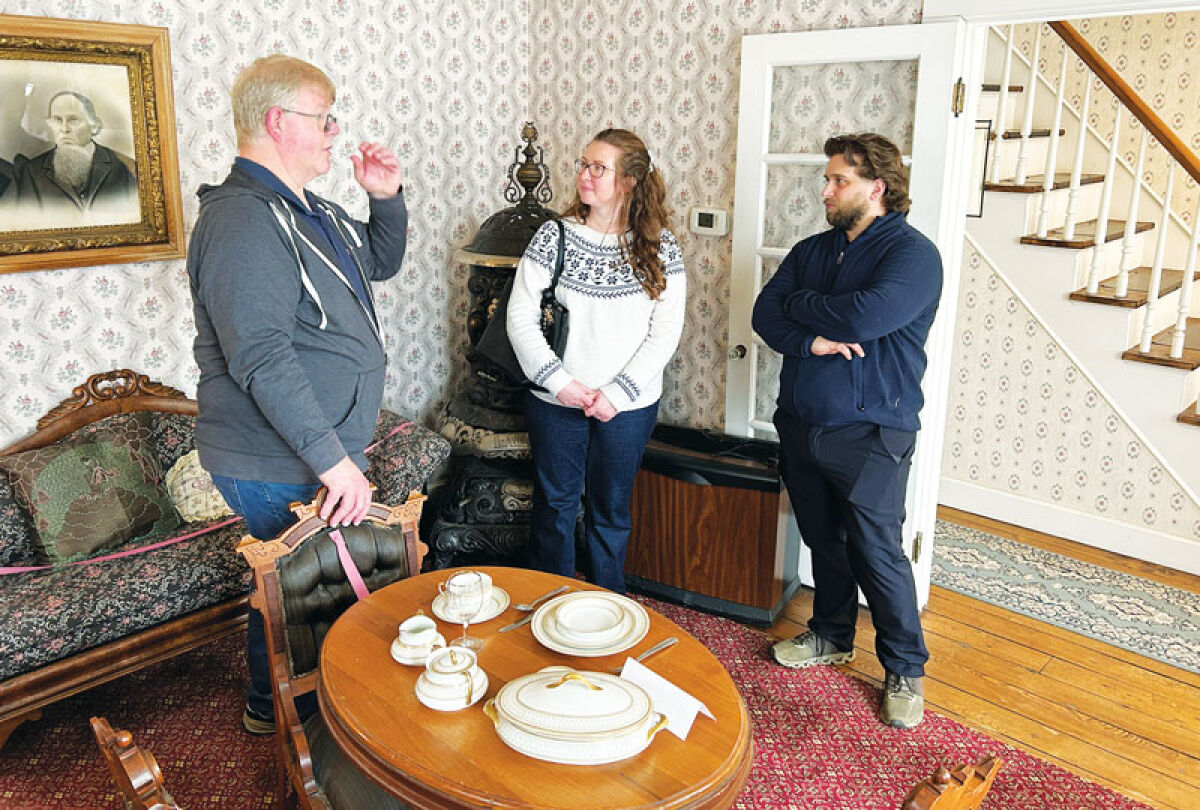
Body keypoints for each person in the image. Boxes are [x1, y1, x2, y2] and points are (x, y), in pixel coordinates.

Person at [187, 54, 407, 738]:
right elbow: (260, 355)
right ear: (279, 122)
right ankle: (308, 727)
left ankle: (269, 703)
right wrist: (333, 462)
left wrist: (387, 197)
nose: (336, 133)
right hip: (271, 450)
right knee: (307, 590)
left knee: (288, 584)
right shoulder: (244, 220)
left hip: (314, 444)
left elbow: (380, 261)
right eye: (325, 119)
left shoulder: (312, 211)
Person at [752, 132, 942, 730]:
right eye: (827, 178)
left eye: (839, 180)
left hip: (872, 432)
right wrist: (810, 338)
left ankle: (905, 665)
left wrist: (801, 305)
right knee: (823, 539)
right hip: (802, 420)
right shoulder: (812, 249)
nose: (825, 189)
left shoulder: (912, 256)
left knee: (877, 550)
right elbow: (764, 313)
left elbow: (866, 315)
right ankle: (831, 633)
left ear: (876, 188)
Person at [507, 128, 686, 594]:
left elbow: (664, 334)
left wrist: (616, 394)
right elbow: (520, 317)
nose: (584, 175)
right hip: (555, 401)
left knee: (611, 510)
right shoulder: (554, 236)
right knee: (556, 507)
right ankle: (551, 602)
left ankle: (609, 607)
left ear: (627, 181)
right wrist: (561, 383)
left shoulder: (661, 249)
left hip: (628, 407)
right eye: (583, 165)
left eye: (598, 168)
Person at [10, 90, 137, 211]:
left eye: (74, 120)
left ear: (93, 126)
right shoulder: (31, 172)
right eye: (57, 120)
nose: (64, 129)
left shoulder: (122, 165)